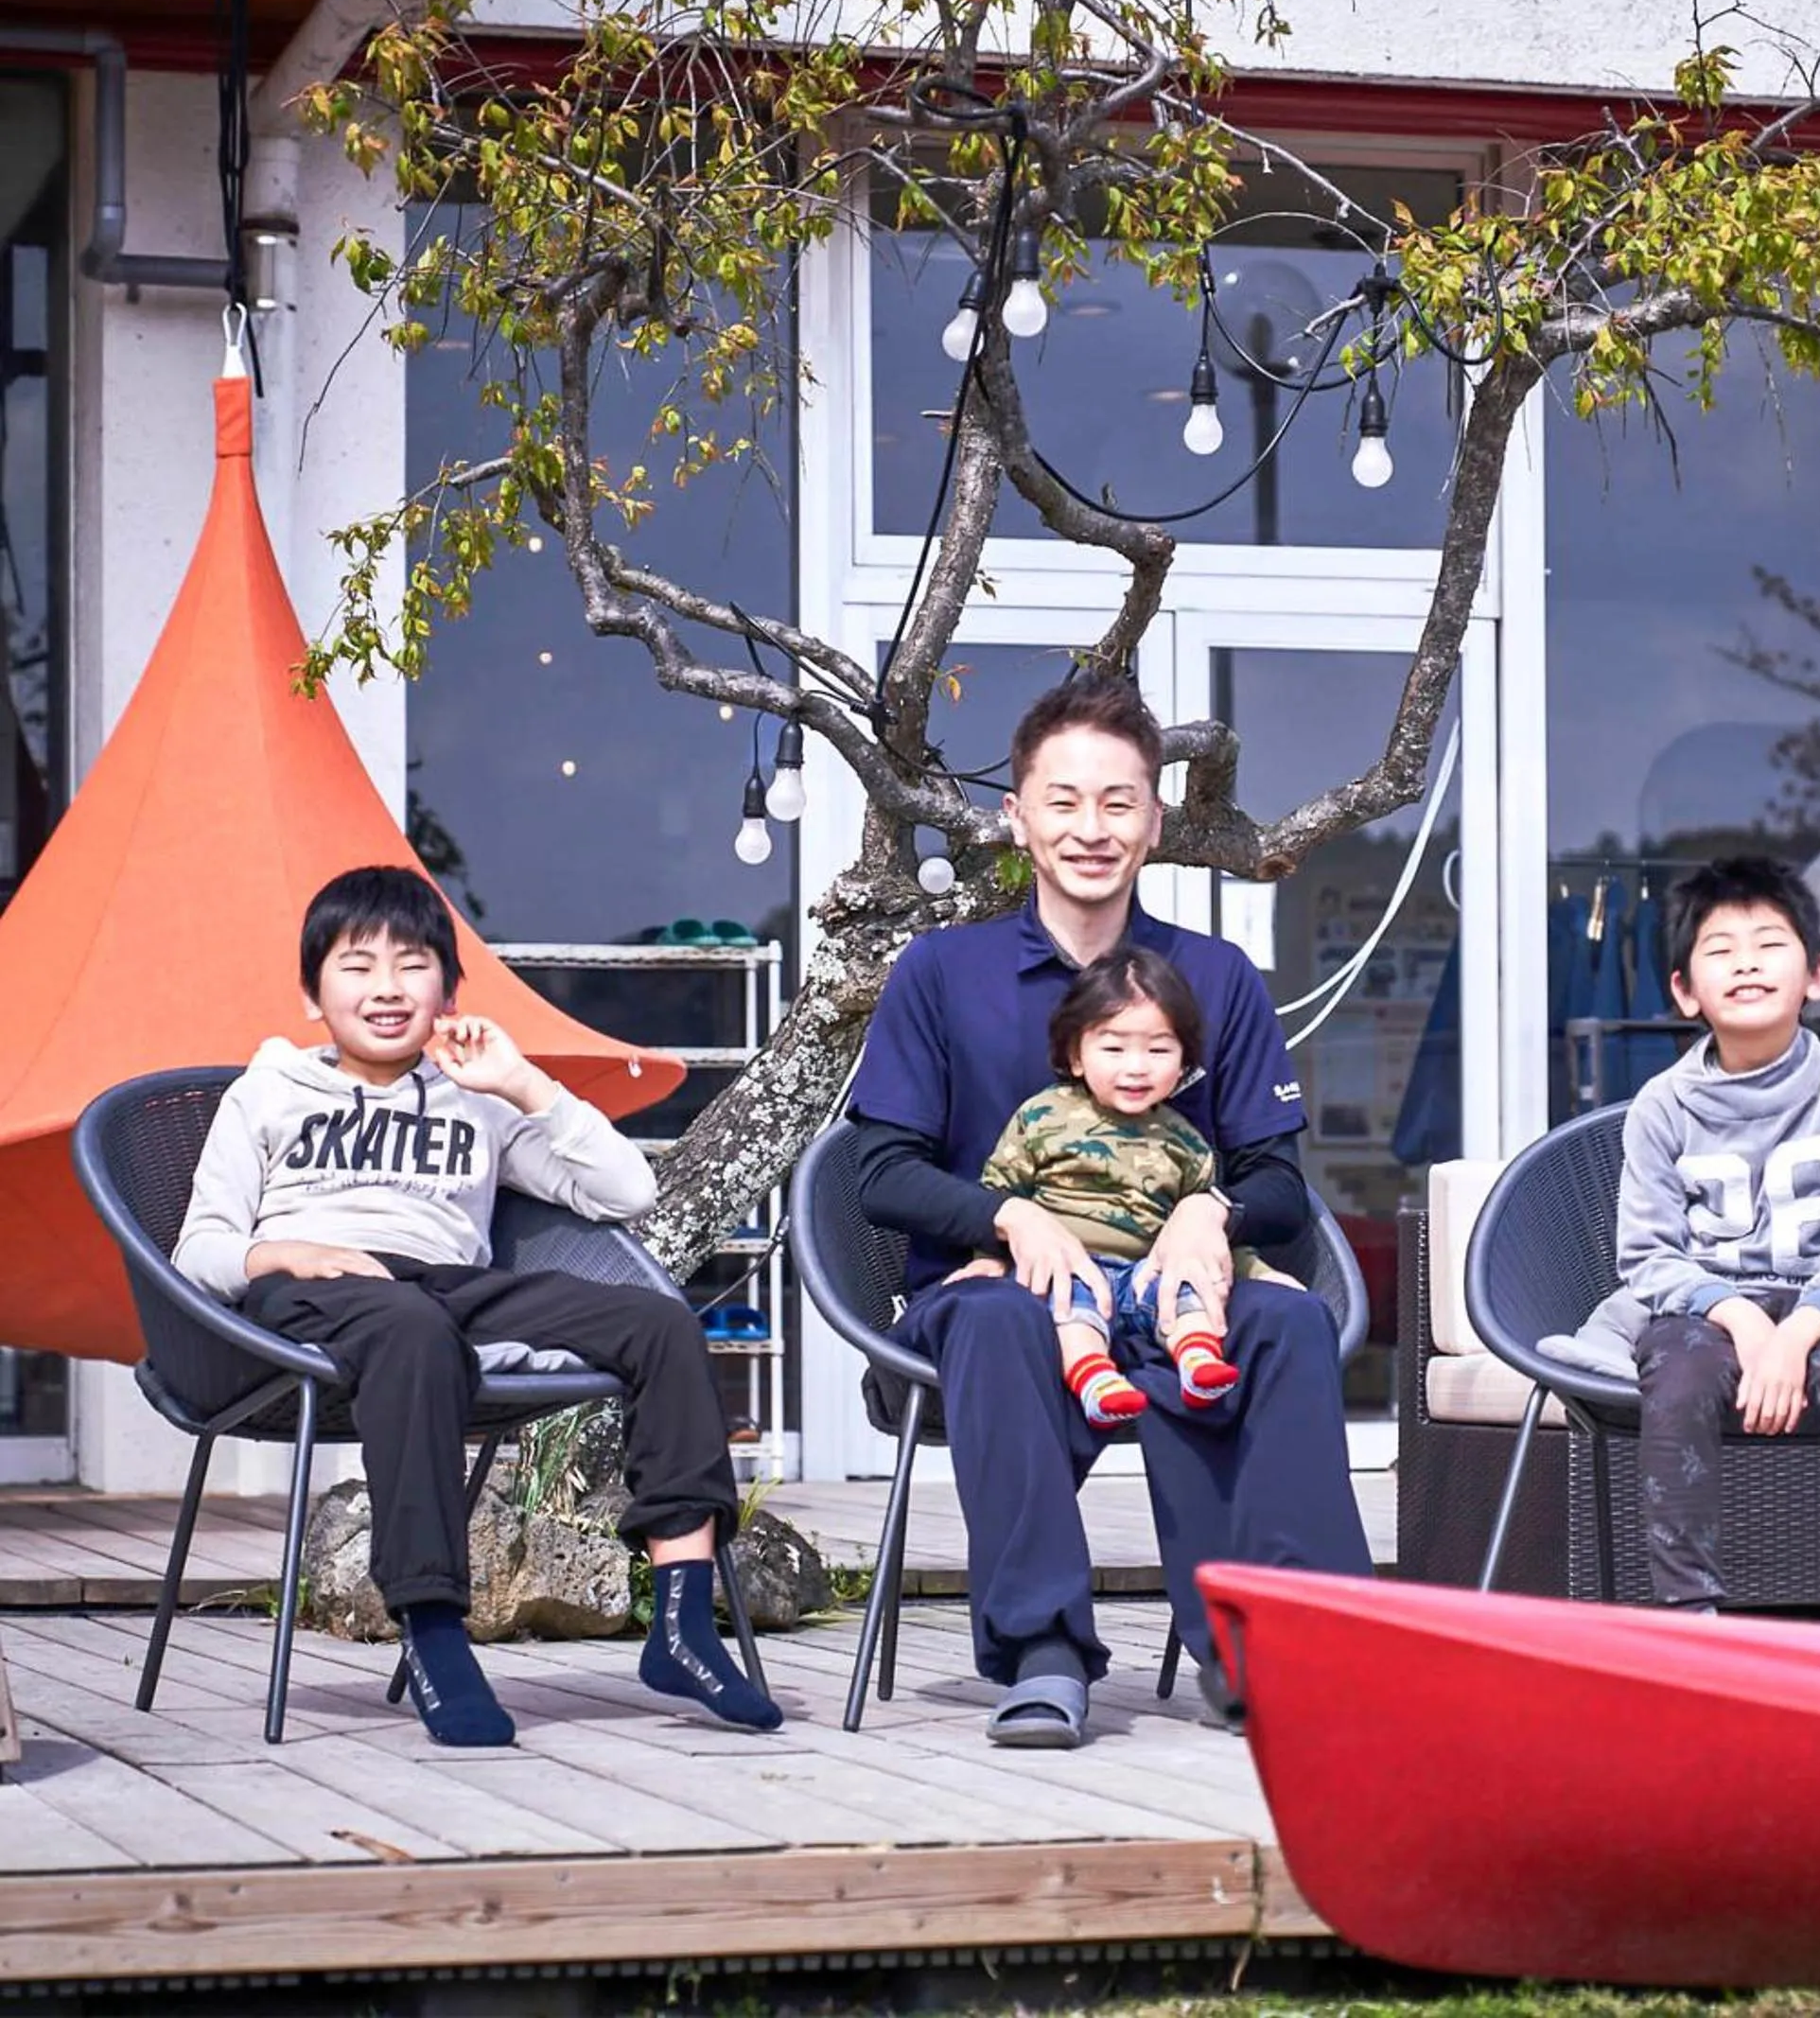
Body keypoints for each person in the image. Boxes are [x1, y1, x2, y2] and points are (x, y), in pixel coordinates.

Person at [851, 668, 1372, 1750]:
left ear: (1157, 820)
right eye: (1064, 800)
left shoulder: (1216, 977)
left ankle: (1274, 1649)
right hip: (992, 1297)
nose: (1091, 829)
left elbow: (1280, 1189)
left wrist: (1208, 1215)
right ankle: (1043, 1654)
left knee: (1285, 1319)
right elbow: (879, 1176)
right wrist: (1012, 1222)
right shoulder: (942, 972)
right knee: (997, 1319)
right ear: (1017, 815)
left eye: (1119, 802)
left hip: (1175, 1294)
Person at [172, 866, 779, 1746]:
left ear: (448, 990)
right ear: (313, 995)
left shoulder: (476, 1099)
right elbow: (199, 1250)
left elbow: (630, 1191)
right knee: (409, 1328)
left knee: (658, 1323)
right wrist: (290, 1251)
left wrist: (523, 1082)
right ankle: (433, 1631)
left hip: (451, 1288)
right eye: (356, 965)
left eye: (412, 965)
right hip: (311, 1290)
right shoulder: (266, 1095)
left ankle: (681, 1621)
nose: (386, 987)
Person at [1604, 854, 1820, 1623]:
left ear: (1815, 974)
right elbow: (1648, 1252)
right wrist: (1745, 1319)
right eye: (1719, 949)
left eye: (1769, 943)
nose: (1745, 962)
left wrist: (1797, 1335)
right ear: (1684, 990)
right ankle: (1690, 1616)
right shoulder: (1661, 1107)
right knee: (1676, 1383)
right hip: (1705, 1315)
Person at [961, 947, 1286, 1430]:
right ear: (1076, 1055)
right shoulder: (1043, 1117)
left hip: (1146, 1274)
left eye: (1159, 1050)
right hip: (1064, 1270)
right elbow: (1000, 1192)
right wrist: (985, 1260)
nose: (1136, 1067)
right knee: (1070, 1309)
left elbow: (1206, 1235)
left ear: (1184, 1063)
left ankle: (1198, 1362)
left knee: (1190, 1294)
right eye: (1113, 1049)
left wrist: (1258, 1270)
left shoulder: (1185, 1142)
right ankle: (1094, 1378)